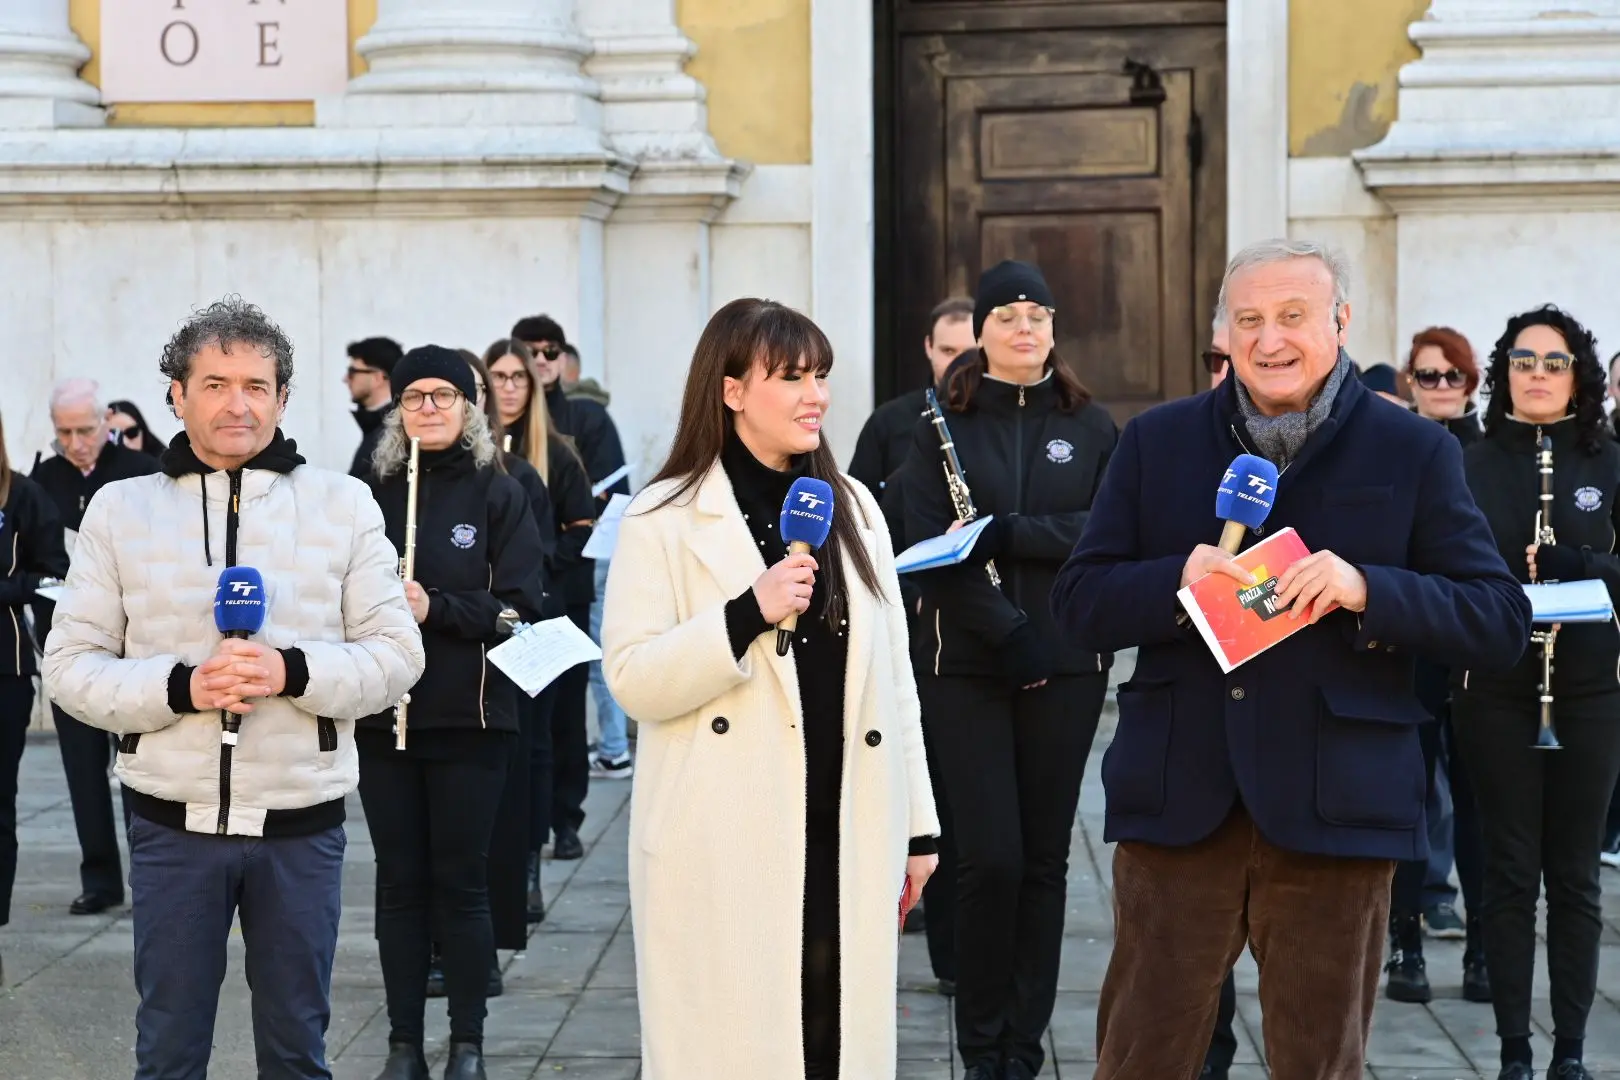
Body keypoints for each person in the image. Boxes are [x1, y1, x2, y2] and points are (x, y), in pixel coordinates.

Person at [1051, 239, 1532, 1080]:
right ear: (1223, 335)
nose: (1270, 340)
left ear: (1341, 323)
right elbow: (1078, 604)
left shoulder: (1414, 450)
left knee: (1319, 1064)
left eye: (1293, 317)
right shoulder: (1156, 442)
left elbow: (1495, 618)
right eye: (1249, 321)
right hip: (1177, 805)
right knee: (1139, 1059)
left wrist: (1367, 590)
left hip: (1336, 810)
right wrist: (1178, 581)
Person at [41, 297, 426, 1080]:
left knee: (295, 1054)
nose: (237, 402)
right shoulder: (121, 509)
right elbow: (70, 669)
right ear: (176, 395)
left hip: (301, 827)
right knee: (169, 1053)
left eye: (257, 384)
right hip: (170, 829)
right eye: (214, 383)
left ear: (284, 398)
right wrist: (184, 686)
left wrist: (295, 672)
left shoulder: (343, 504)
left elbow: (397, 655)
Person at [601, 297, 939, 1080]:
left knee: (833, 1038)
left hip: (847, 819)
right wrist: (746, 613)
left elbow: (896, 682)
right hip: (722, 834)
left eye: (820, 374)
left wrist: (917, 829)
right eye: (790, 376)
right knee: (737, 1047)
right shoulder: (665, 515)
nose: (815, 393)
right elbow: (632, 678)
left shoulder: (853, 506)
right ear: (731, 391)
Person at [893, 260, 1118, 1080]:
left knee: (1046, 863)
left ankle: (1025, 1047)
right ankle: (982, 1044)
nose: (1024, 327)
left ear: (1054, 329)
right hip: (968, 664)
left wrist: (1011, 531)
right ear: (981, 332)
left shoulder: (1093, 427)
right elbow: (928, 548)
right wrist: (1005, 629)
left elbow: (1107, 530)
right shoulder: (935, 424)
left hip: (1067, 661)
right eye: (1007, 315)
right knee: (991, 857)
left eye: (1038, 314)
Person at [360, 346, 546, 1080]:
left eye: (442, 396)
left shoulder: (500, 493)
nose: (427, 408)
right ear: (396, 409)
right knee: (399, 885)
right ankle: (404, 1044)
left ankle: (467, 1042)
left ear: (469, 406)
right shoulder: (368, 492)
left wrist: (434, 605)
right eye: (413, 397)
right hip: (384, 719)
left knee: (462, 884)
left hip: (471, 720)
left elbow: (524, 611)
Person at [1451, 304, 1620, 1080]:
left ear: (1578, 374)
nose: (1540, 376)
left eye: (1555, 362)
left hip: (1589, 692)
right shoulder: (1468, 461)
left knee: (1577, 876)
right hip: (1497, 690)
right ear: (1504, 372)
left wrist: (1580, 564)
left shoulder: (1610, 460)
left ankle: (1572, 1053)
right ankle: (1516, 1050)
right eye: (1525, 361)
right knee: (1510, 871)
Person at [847, 294, 976, 984]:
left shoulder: (988, 422)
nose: (960, 362)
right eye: (949, 350)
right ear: (929, 351)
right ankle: (930, 924)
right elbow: (857, 516)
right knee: (919, 782)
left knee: (964, 799)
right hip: (910, 624)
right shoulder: (895, 422)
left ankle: (961, 950)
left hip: (977, 632)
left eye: (969, 349)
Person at [1383, 325, 1489, 1006]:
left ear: (1473, 382)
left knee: (1480, 807)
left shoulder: (1492, 453)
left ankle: (1483, 949)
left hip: (1476, 656)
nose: (1442, 388)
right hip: (1410, 645)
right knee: (1407, 800)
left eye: (1453, 376)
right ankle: (1406, 945)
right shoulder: (1395, 452)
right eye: (1429, 377)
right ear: (1409, 385)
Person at [31, 376, 160, 915]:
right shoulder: (44, 478)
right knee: (82, 770)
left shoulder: (140, 473)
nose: (77, 442)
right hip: (71, 640)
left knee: (139, 767)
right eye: (65, 433)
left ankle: (149, 877)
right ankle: (100, 878)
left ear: (107, 421)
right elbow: (36, 556)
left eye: (85, 430)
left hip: (135, 648)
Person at [485, 339, 596, 875]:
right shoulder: (475, 453)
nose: (508, 387)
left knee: (550, 731)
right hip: (492, 613)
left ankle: (556, 829)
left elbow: (582, 531)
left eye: (518, 378)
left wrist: (539, 563)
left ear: (534, 385)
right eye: (498, 377)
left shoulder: (558, 451)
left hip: (549, 610)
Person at [509, 318, 633, 782]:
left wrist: (557, 558)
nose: (541, 359)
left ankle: (566, 818)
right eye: (531, 350)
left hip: (567, 582)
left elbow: (610, 498)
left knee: (567, 702)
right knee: (523, 712)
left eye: (550, 350)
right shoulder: (496, 425)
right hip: (510, 589)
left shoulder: (586, 419)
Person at [0, 408, 68, 985]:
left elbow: (53, 575)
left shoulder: (22, 495)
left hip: (5, 669)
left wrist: (7, 589)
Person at [346, 336, 404, 480]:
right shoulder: (374, 426)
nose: (346, 378)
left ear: (377, 378)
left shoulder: (396, 432)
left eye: (352, 371)